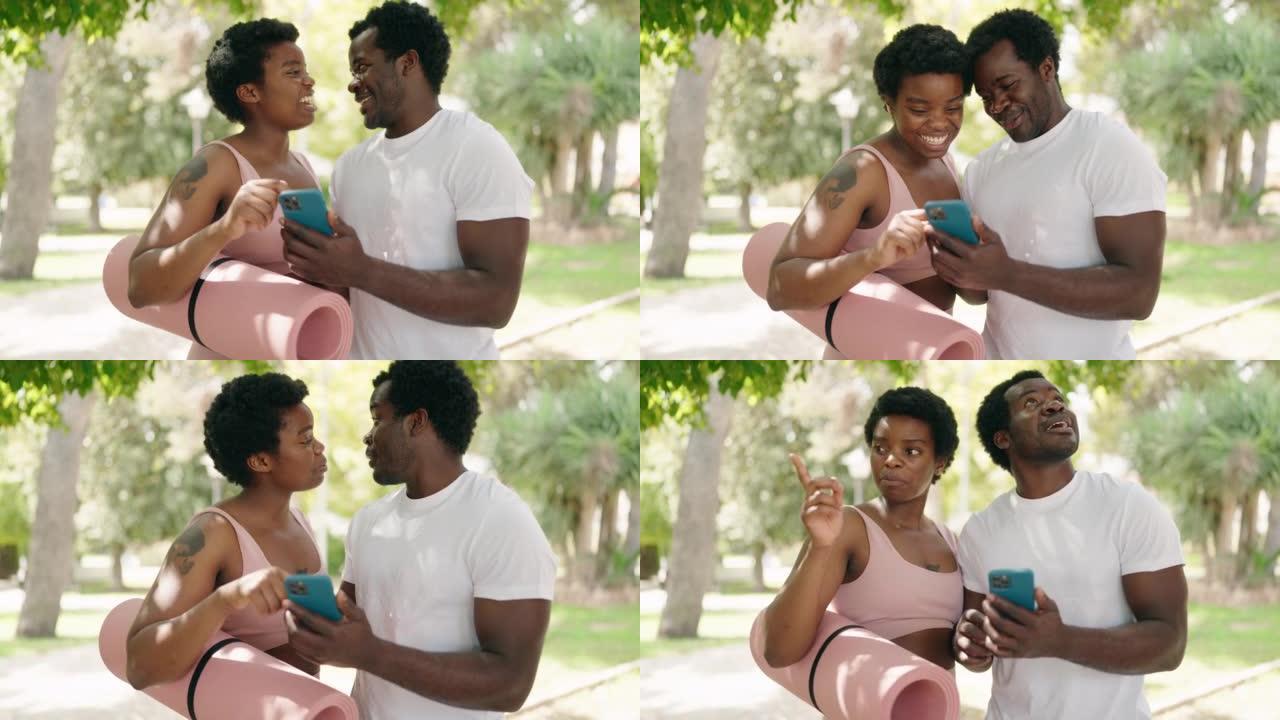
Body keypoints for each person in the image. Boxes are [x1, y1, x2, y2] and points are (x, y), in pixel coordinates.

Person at [283, 361, 556, 719]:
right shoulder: (370, 521)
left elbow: (510, 685)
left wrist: (371, 653)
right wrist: (305, 615)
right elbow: (349, 626)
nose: (368, 435)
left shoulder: (501, 520)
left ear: (416, 422)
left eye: (377, 419)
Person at [280, 1, 533, 360]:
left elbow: (497, 301)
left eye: (363, 67)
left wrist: (361, 270)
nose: (353, 85)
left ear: (407, 63)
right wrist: (320, 264)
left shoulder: (476, 147)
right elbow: (351, 290)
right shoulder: (349, 167)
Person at [927, 9, 1167, 359]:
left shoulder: (1109, 147)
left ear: (1047, 69)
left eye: (1007, 86)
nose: (997, 105)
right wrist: (960, 266)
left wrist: (1007, 273)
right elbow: (982, 293)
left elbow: (1139, 294)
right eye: (985, 96)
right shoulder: (981, 169)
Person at [954, 370, 1187, 719]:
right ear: (1003, 438)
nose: (1053, 407)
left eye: (1058, 400)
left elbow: (1170, 645)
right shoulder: (979, 530)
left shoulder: (1127, 506)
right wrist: (971, 646)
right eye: (1031, 403)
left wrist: (1060, 641)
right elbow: (978, 645)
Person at [767, 25, 971, 358]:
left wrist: (972, 254)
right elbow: (779, 287)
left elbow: (972, 294)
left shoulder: (946, 162)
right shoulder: (862, 171)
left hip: (935, 353)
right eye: (919, 110)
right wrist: (874, 257)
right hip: (862, 356)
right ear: (888, 104)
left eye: (952, 108)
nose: (939, 123)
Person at [127, 19, 323, 359]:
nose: (309, 80)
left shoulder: (303, 166)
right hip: (227, 354)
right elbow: (139, 286)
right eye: (292, 72)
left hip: (294, 349)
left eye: (305, 70)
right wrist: (225, 228)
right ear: (250, 92)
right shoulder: (216, 163)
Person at [125, 372, 328, 687]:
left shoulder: (300, 521)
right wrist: (226, 598)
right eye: (305, 439)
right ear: (261, 461)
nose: (319, 447)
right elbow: (139, 666)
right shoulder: (213, 533)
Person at [760, 386, 963, 671]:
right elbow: (778, 651)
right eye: (880, 448)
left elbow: (971, 651)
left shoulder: (952, 542)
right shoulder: (848, 527)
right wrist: (820, 547)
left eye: (911, 450)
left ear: (940, 463)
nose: (891, 460)